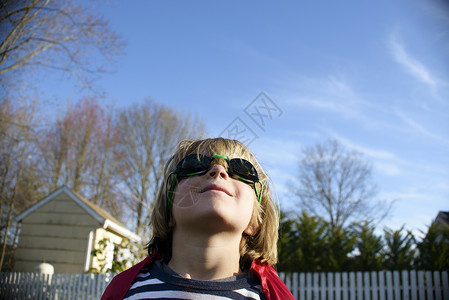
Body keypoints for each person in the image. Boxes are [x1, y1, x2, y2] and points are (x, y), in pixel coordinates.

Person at [101, 137, 294, 300]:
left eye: (242, 170)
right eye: (194, 164)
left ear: (255, 221)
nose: (218, 170)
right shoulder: (126, 292)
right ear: (168, 211)